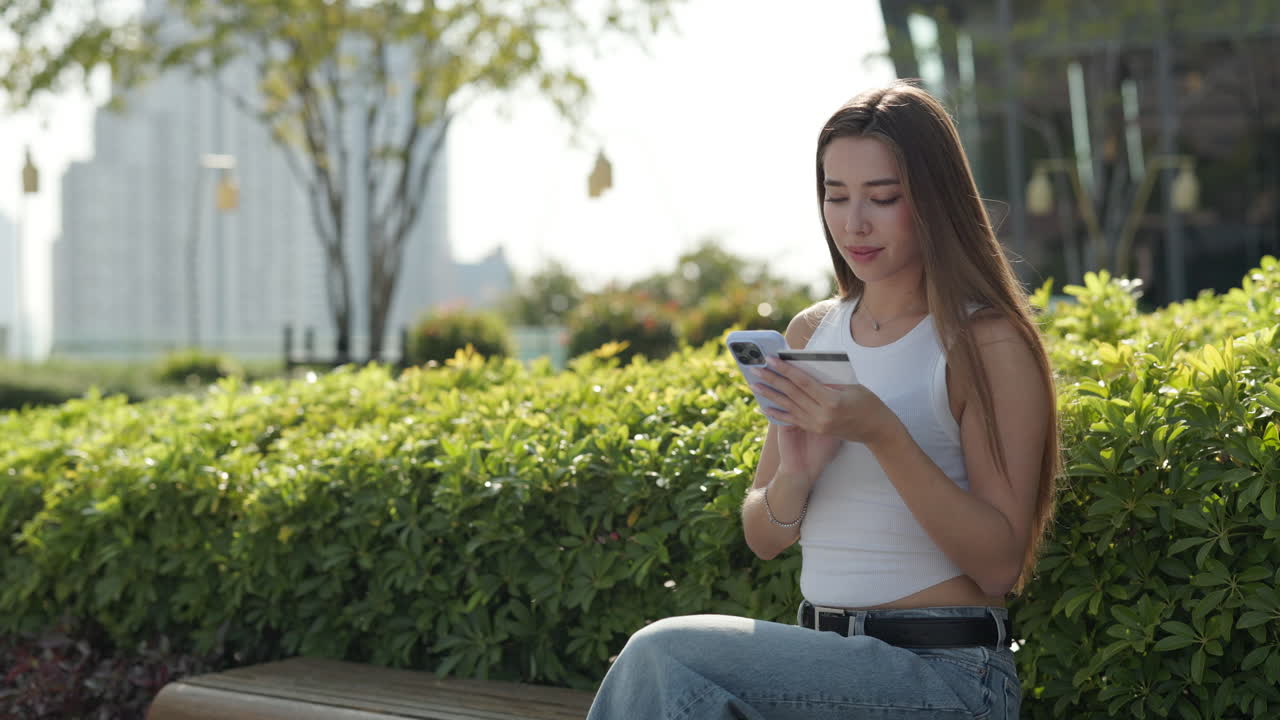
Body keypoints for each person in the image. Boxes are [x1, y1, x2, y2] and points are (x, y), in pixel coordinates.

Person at [586, 80, 1061, 720]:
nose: (853, 223)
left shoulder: (985, 342)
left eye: (883, 197)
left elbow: (1000, 565)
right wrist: (797, 474)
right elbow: (763, 536)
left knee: (664, 656)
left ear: (935, 200)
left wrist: (883, 434)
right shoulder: (813, 332)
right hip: (822, 663)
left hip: (948, 675)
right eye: (836, 196)